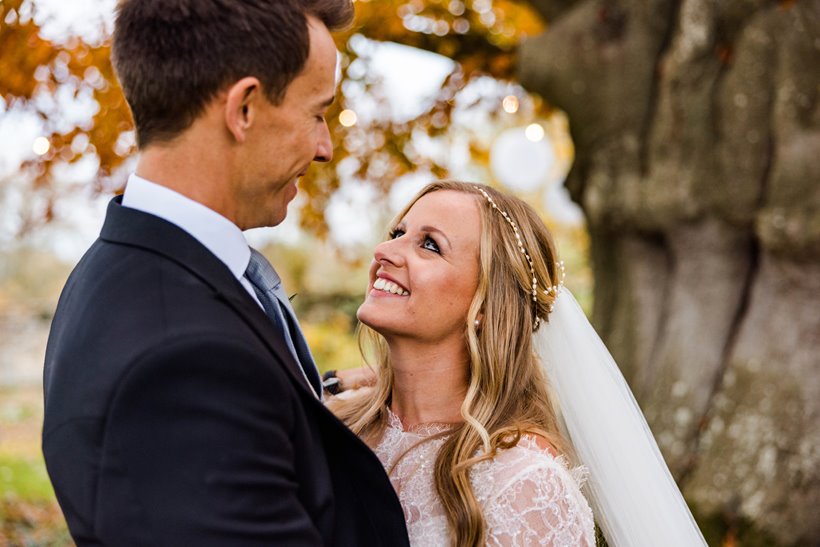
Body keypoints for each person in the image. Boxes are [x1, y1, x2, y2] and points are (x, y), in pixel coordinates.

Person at [41, 1, 409, 545]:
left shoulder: (125, 271)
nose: (326, 147)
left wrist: (319, 396)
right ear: (244, 109)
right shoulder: (182, 359)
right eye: (316, 113)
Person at [330, 181, 708, 546]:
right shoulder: (332, 423)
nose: (384, 250)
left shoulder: (522, 485)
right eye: (398, 233)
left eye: (430, 245)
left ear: (486, 302)